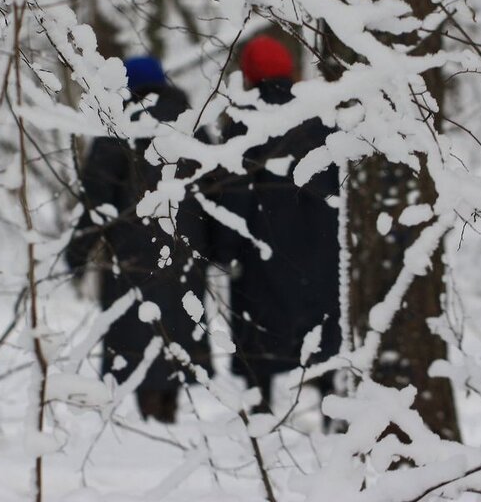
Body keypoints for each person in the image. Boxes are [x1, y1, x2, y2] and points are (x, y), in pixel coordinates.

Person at [65, 56, 215, 423]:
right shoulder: (190, 124)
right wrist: (221, 248)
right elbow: (216, 190)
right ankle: (168, 415)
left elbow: (96, 199)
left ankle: (151, 419)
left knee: (138, 342)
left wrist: (78, 253)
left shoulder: (119, 126)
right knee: (176, 337)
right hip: (184, 253)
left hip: (132, 260)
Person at [214, 35, 342, 414]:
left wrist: (225, 247)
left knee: (262, 332)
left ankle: (261, 408)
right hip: (320, 245)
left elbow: (232, 191)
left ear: (250, 73)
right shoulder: (319, 117)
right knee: (322, 329)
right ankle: (332, 405)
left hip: (263, 250)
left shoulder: (243, 121)